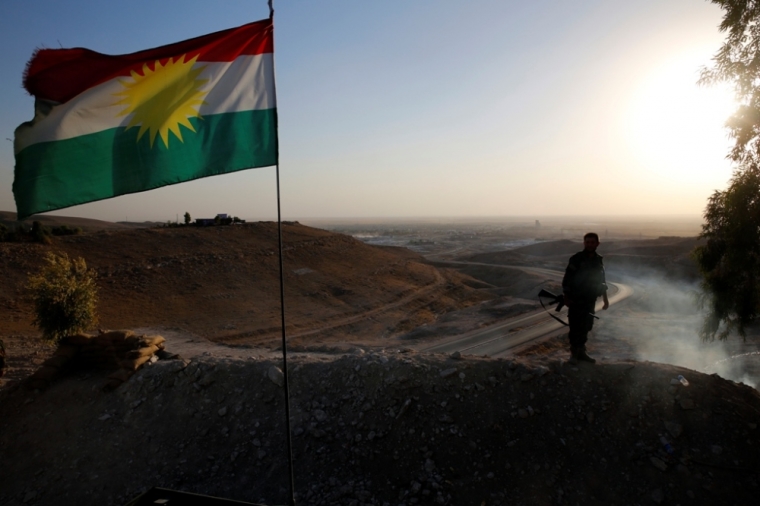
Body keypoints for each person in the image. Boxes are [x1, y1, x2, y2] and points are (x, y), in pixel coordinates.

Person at [562, 232, 609, 363]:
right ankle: (574, 354)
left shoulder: (598, 260)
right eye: (587, 242)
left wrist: (605, 300)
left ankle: (581, 352)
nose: (590, 245)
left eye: (592, 242)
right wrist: (566, 296)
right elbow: (567, 278)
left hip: (590, 299)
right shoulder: (576, 259)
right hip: (576, 299)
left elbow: (602, 281)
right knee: (575, 326)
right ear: (584, 243)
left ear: (597, 244)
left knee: (587, 326)